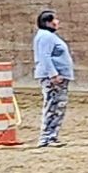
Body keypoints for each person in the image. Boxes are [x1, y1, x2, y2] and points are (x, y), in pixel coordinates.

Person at [32, 9, 75, 147]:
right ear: (47, 22)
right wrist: (53, 74)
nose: (57, 22)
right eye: (54, 20)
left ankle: (50, 136)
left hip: (55, 75)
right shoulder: (46, 37)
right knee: (53, 106)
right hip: (54, 77)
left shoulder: (46, 36)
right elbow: (45, 56)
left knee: (56, 106)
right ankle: (47, 137)